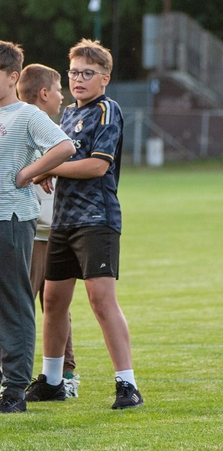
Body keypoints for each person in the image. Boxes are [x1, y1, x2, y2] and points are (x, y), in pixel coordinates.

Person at [0, 41, 75, 414]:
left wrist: (30, 172)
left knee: (10, 303)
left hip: (10, 219)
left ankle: (15, 390)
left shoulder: (27, 115)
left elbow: (64, 146)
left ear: (13, 77)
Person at [24, 39, 143, 409]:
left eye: (87, 73)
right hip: (63, 220)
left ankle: (127, 384)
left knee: (101, 300)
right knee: (55, 300)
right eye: (74, 72)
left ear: (104, 78)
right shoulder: (66, 116)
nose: (78, 79)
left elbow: (97, 165)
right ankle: (53, 380)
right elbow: (55, 157)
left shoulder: (108, 110)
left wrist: (47, 168)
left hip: (97, 220)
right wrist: (47, 169)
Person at [17, 64, 79, 398]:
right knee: (24, 303)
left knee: (57, 306)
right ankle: (19, 371)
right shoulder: (24, 128)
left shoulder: (56, 132)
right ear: (43, 93)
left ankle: (65, 373)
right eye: (58, 89)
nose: (62, 95)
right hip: (32, 231)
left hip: (56, 230)